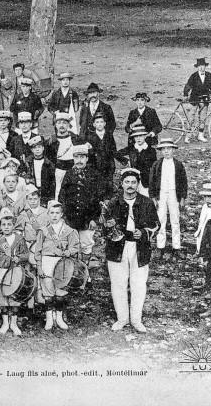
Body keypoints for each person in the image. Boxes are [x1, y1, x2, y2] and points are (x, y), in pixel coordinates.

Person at [102, 168, 159, 333]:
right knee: (118, 283)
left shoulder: (147, 203)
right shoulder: (113, 203)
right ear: (121, 184)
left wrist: (143, 231)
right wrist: (108, 227)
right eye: (127, 182)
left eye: (134, 182)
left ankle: (136, 320)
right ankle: (122, 319)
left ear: (138, 184)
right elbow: (104, 228)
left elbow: (156, 224)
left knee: (138, 284)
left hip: (139, 248)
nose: (130, 185)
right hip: (117, 247)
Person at [59, 144, 104, 282]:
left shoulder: (94, 175)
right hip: (71, 218)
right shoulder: (69, 174)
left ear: (87, 158)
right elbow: (62, 196)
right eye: (76, 157)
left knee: (86, 245)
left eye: (82, 157)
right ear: (73, 158)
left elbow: (98, 198)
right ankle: (72, 273)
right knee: (71, 245)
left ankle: (85, 273)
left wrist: (94, 219)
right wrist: (64, 217)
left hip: (87, 219)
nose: (79, 160)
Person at [33, 200, 80, 331]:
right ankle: (49, 317)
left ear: (62, 214)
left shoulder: (69, 231)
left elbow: (75, 246)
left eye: (57, 213)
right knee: (48, 292)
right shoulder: (43, 231)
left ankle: (59, 317)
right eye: (52, 213)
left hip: (62, 263)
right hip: (47, 261)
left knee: (60, 291)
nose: (54, 215)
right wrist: (39, 266)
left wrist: (69, 251)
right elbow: (38, 250)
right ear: (48, 214)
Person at [0, 207, 30, 335]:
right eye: (4, 225)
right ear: (0, 226)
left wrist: (18, 258)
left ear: (14, 225)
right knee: (2, 298)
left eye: (9, 224)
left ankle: (13, 324)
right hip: (1, 272)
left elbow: (26, 254)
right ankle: (5, 323)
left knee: (14, 297)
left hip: (15, 271)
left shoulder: (19, 239)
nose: (6, 227)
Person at [149, 138, 188, 260]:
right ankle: (160, 247)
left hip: (173, 193)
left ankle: (176, 247)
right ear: (161, 151)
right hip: (161, 194)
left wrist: (182, 197)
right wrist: (154, 197)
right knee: (161, 219)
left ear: (173, 150)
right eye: (163, 149)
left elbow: (183, 182)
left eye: (169, 149)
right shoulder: (157, 164)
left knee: (175, 220)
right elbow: (152, 181)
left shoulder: (178, 164)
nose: (166, 151)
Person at [183, 58, 211, 143]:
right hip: (194, 98)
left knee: (203, 117)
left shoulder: (209, 75)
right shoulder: (194, 76)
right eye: (199, 66)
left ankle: (200, 135)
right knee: (191, 117)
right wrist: (186, 94)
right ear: (197, 67)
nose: (201, 68)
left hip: (205, 99)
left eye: (203, 66)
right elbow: (188, 85)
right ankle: (188, 136)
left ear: (205, 67)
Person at [84, 112, 118, 195]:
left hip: (108, 166)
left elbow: (113, 150)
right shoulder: (90, 137)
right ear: (94, 124)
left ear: (105, 123)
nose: (99, 124)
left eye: (101, 122)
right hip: (95, 166)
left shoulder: (109, 135)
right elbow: (88, 154)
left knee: (108, 186)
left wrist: (122, 160)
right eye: (97, 122)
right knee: (96, 187)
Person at [23, 136, 55, 204]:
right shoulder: (28, 163)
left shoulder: (48, 164)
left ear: (43, 148)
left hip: (45, 193)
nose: (37, 150)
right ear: (32, 150)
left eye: (39, 147)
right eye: (35, 147)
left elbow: (52, 182)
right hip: (32, 192)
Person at [194, 183, 211, 255]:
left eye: (209, 197)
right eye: (205, 197)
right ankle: (199, 251)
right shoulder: (205, 206)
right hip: (203, 229)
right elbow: (201, 220)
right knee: (201, 235)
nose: (206, 199)